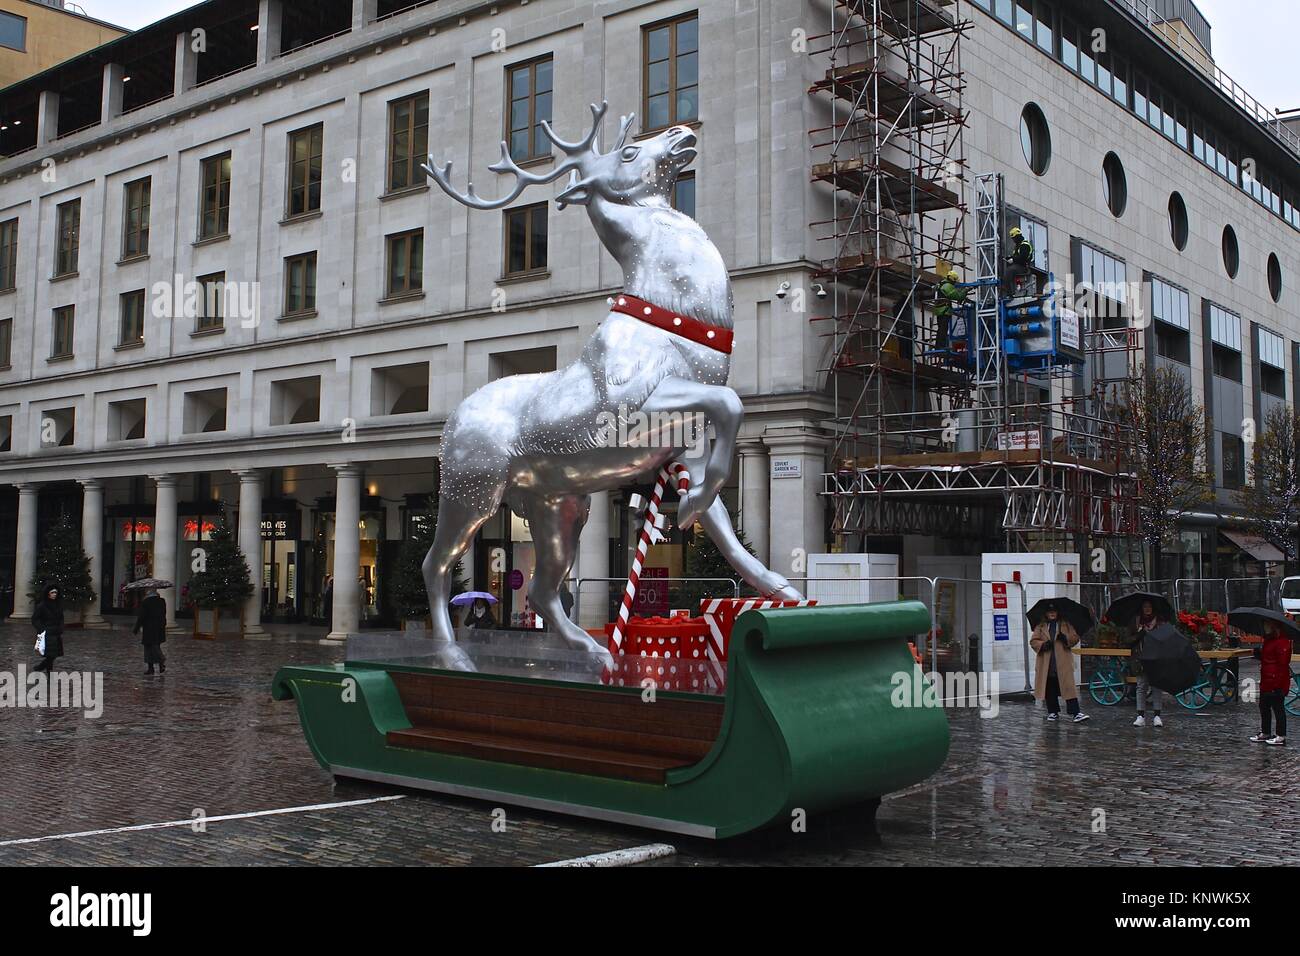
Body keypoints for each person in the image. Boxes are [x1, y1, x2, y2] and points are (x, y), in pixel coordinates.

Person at [1031, 603, 1090, 723]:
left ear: (1058, 613)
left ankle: (1075, 712)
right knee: (1049, 686)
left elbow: (1074, 638)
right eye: (1049, 611)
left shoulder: (1065, 624)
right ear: (1046, 613)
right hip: (1047, 661)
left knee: (1068, 687)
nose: (1052, 613)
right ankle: (1053, 712)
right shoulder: (1041, 626)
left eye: (1054, 611)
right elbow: (1033, 641)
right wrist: (1042, 645)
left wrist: (1066, 639)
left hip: (1062, 661)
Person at [1251, 621, 1290, 746]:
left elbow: (1282, 665)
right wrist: (1259, 654)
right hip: (1266, 679)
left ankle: (1281, 735)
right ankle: (1265, 732)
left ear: (1274, 627)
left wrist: (1278, 685)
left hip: (1276, 680)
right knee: (1264, 706)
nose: (1264, 628)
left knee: (1278, 709)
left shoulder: (1282, 642)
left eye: (1267, 625)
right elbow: (1268, 658)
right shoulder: (1268, 640)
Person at [1126, 600, 1164, 727]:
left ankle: (1157, 716)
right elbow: (1128, 640)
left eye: (1149, 607)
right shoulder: (1136, 621)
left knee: (1156, 686)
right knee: (1141, 686)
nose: (1147, 609)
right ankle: (1140, 715)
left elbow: (1165, 638)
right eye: (1145, 607)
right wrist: (1140, 634)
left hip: (1155, 658)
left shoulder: (1159, 621)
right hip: (1140, 658)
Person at [30, 582, 65, 674]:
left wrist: (61, 627)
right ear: (48, 593)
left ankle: (41, 667)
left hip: (56, 632)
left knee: (53, 655)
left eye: (55, 593)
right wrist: (41, 629)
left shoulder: (58, 605)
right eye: (52, 592)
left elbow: (61, 618)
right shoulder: (42, 606)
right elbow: (35, 619)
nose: (54, 595)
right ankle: (48, 672)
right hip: (47, 633)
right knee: (50, 655)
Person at [133, 588, 168, 676]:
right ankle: (157, 667)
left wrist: (136, 628)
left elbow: (142, 616)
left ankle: (160, 660)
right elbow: (164, 613)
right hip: (159, 627)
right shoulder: (162, 601)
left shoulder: (146, 602)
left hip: (149, 628)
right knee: (155, 646)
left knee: (150, 647)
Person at [934, 270, 968, 350]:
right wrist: (965, 290)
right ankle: (941, 346)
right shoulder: (947, 286)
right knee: (943, 329)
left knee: (941, 329)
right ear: (952, 279)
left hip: (940, 310)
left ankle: (938, 346)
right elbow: (957, 296)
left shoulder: (942, 284)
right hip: (944, 310)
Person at [1005, 226, 1034, 292]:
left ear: (1017, 236)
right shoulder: (1018, 246)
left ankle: (1010, 292)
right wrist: (1010, 258)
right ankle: (1008, 289)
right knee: (1008, 269)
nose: (1013, 240)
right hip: (1018, 266)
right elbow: (1017, 256)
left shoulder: (1025, 245)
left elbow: (1023, 257)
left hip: (1023, 267)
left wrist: (1013, 260)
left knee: (1009, 271)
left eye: (1014, 238)